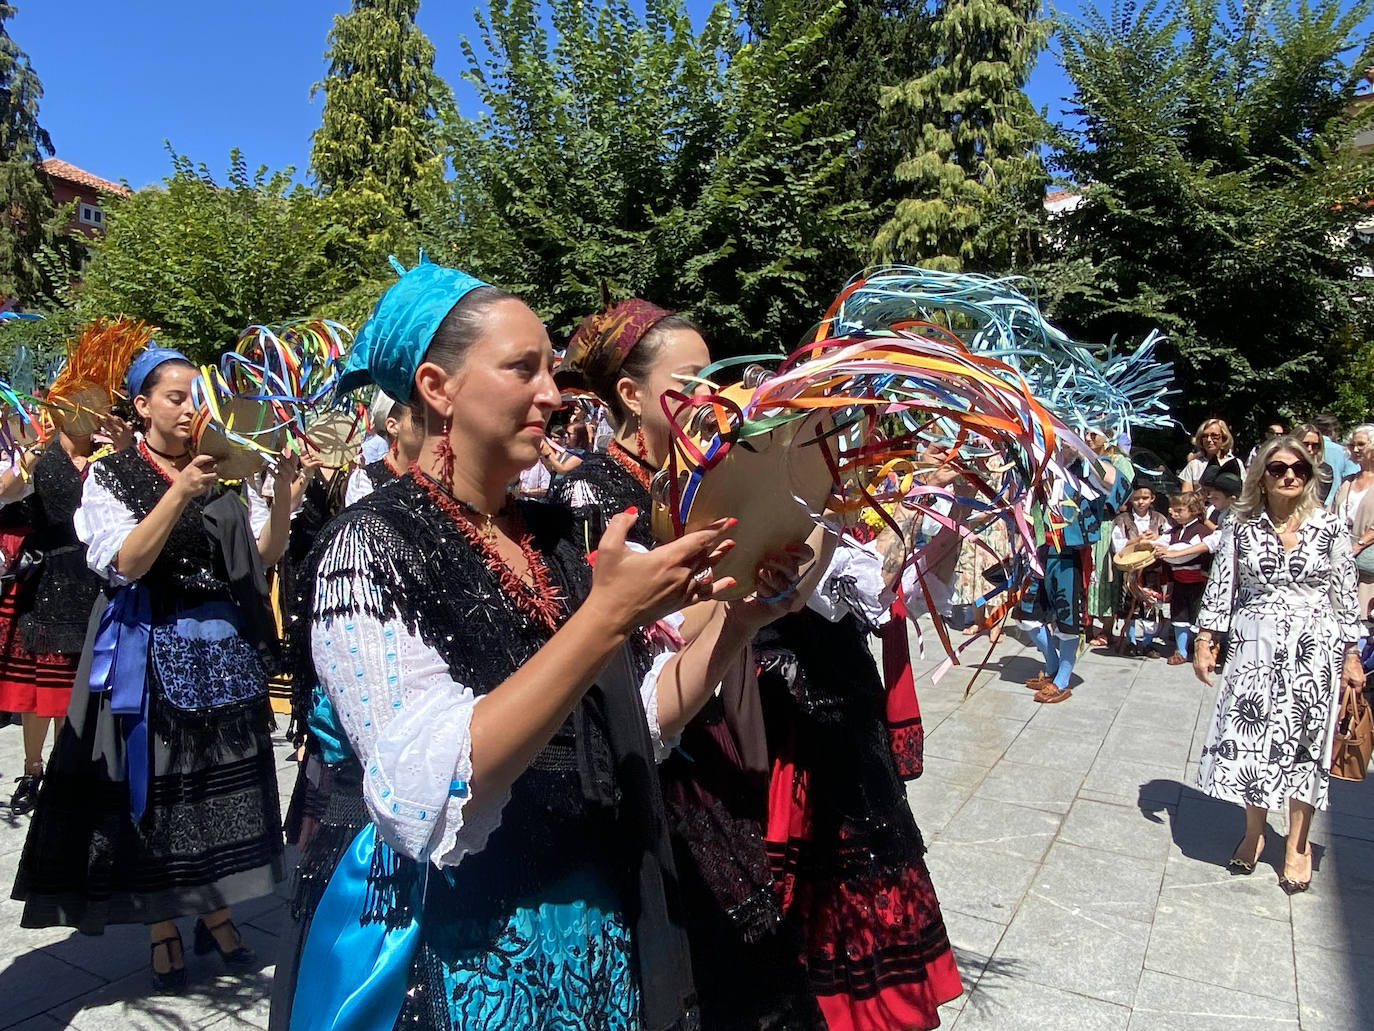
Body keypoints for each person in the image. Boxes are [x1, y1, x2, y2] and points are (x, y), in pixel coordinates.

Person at [274, 265, 791, 1031]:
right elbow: (431, 788)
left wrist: (738, 625)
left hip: (590, 945)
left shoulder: (555, 537)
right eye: (523, 368)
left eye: (552, 369)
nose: (552, 392)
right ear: (437, 387)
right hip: (449, 952)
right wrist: (605, 617)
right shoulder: (371, 545)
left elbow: (635, 721)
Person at [553, 296, 962, 1030]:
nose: (710, 398)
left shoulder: (715, 471)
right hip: (672, 752)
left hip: (738, 728)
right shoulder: (598, 492)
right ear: (629, 395)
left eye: (715, 380)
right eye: (691, 382)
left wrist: (806, 527)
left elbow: (793, 592)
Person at [11, 348, 296, 991]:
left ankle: (213, 908)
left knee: (209, 785)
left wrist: (280, 495)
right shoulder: (112, 476)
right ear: (141, 407)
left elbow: (261, 554)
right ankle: (164, 923)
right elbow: (129, 562)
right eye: (177, 397)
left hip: (215, 650)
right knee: (157, 789)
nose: (193, 408)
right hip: (146, 647)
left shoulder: (225, 470)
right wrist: (180, 492)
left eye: (199, 396)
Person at [1193, 436, 1364, 893]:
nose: (1290, 475)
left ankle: (1299, 844)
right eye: (1279, 468)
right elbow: (1221, 586)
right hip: (1254, 647)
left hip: (1315, 649)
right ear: (1261, 477)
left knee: (1306, 742)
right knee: (1252, 739)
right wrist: (1206, 639)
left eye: (1300, 469)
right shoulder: (1240, 526)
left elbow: (1345, 595)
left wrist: (1351, 655)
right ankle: (1254, 832)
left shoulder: (1330, 526)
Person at [1, 400, 131, 815]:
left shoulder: (107, 454)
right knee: (41, 684)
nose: (89, 417)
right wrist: (28, 459)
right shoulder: (41, 455)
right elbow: (7, 496)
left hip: (93, 573)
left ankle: (66, 768)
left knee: (78, 681)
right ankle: (33, 769)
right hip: (49, 574)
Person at [1085, 426, 1135, 646]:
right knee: (1087, 573)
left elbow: (1121, 489)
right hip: (1085, 522)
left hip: (1107, 524)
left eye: (1093, 434)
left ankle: (1105, 628)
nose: (1087, 437)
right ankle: (1085, 624)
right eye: (1084, 433)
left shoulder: (1119, 461)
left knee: (1105, 574)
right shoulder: (1082, 458)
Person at [1110, 484, 1167, 656]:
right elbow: (1117, 544)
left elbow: (1169, 539)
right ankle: (1131, 641)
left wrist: (1157, 538)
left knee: (1150, 604)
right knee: (1129, 605)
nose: (1140, 502)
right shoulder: (1122, 520)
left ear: (1152, 499)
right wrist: (1136, 541)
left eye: (1145, 498)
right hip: (1130, 569)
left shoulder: (1159, 519)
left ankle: (1148, 643)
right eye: (1136, 498)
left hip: (1152, 569)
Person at [1157, 491, 1211, 665]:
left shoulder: (1202, 531)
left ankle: (1201, 652)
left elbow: (1185, 553)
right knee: (1179, 614)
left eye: (1180, 510)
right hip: (1180, 580)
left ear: (1194, 510)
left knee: (1198, 616)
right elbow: (1162, 542)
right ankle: (1181, 651)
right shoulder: (1174, 530)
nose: (1174, 513)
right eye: (1174, 510)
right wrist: (1149, 542)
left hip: (1198, 582)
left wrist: (1169, 553)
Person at [1327, 422, 1374, 618]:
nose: (1355, 449)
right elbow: (1330, 514)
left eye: (1361, 444)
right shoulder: (1347, 481)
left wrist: (1358, 545)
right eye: (1352, 444)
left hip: (1366, 565)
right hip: (1340, 557)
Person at [343, 392, 424, 505]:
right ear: (393, 426)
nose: (431, 426)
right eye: (419, 419)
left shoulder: (439, 477)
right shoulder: (364, 481)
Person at [1180, 419, 1242, 492]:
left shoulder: (1235, 463)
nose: (1209, 439)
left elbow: (1243, 493)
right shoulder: (1194, 465)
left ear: (1224, 438)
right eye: (1205, 436)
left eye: (1214, 435)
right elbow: (1186, 496)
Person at [1315, 412, 1355, 503]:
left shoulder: (1305, 448)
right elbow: (1353, 477)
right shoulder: (1345, 452)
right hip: (1334, 503)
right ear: (1332, 431)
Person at [1294, 423, 1334, 503]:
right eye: (1305, 444)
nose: (1310, 449)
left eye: (1315, 445)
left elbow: (1318, 502)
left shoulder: (1324, 471)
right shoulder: (1281, 467)